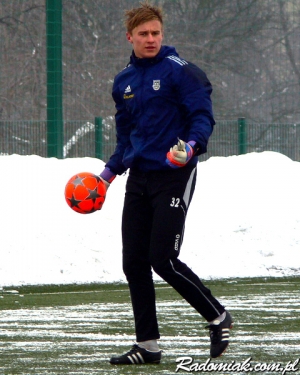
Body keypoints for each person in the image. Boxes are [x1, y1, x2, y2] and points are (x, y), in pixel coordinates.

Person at [99, 1, 233, 365]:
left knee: (163, 258)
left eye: (156, 32)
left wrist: (189, 148)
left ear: (162, 34)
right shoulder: (123, 81)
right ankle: (148, 345)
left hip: (175, 175)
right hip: (139, 179)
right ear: (130, 37)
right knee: (133, 263)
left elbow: (203, 118)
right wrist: (106, 177)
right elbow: (125, 138)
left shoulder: (182, 72)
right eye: (143, 34)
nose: (151, 39)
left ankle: (218, 316)